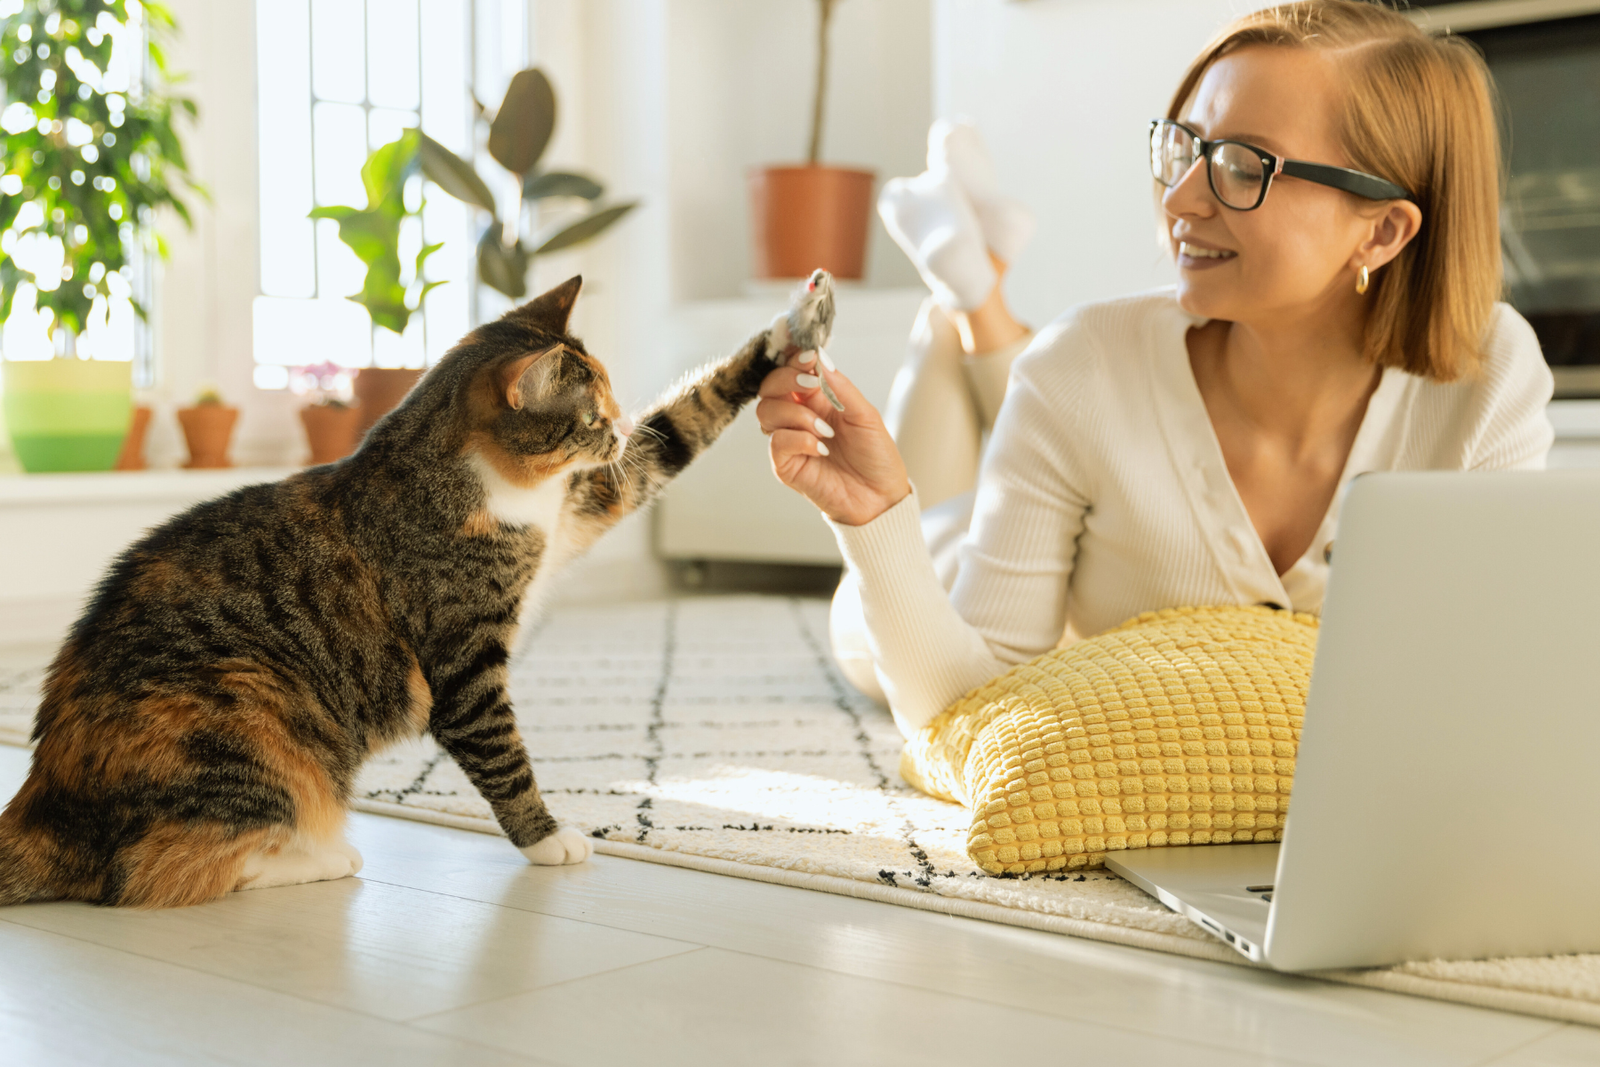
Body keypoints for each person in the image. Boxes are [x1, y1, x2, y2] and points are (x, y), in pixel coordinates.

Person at [756, 0, 1554, 739]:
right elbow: (969, 705)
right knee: (871, 619)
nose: (1179, 199)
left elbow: (1484, 691)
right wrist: (872, 517)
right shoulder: (1080, 361)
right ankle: (958, 310)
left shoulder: (1487, 377)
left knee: (1053, 382)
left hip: (1066, 436)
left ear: (1381, 232)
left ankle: (972, 291)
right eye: (1183, 147)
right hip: (952, 558)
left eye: (1244, 166)